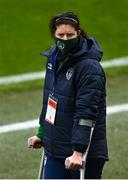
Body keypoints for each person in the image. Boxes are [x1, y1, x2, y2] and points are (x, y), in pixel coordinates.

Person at [28, 11, 108, 179]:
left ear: (78, 33)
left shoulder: (90, 68)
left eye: (69, 35)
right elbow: (49, 98)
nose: (65, 39)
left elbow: (86, 112)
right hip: (55, 146)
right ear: (54, 35)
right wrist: (41, 133)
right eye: (61, 35)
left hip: (82, 152)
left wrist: (78, 151)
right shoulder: (53, 58)